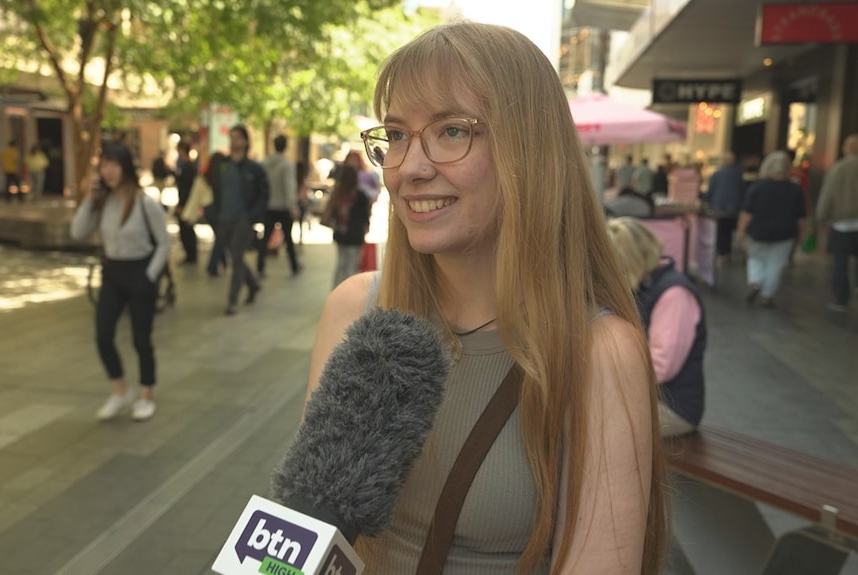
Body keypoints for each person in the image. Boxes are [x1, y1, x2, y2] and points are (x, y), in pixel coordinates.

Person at [307, 22, 666, 574]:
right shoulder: (355, 311)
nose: (411, 167)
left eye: (452, 131)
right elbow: (307, 530)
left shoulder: (598, 352)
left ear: (529, 150)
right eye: (397, 135)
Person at [69, 143, 170, 421]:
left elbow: (163, 243)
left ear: (125, 167)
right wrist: (90, 198)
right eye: (104, 165)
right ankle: (120, 390)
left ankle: (146, 395)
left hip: (140, 274)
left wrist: (149, 276)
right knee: (103, 336)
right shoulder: (103, 202)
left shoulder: (143, 202)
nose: (108, 171)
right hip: (112, 274)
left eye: (114, 164)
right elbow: (77, 231)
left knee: (141, 339)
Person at [607, 217, 706, 438]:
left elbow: (661, 365)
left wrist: (606, 381)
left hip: (674, 408)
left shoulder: (674, 295)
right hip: (648, 397)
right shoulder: (647, 284)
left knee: (596, 424)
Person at [206, 125, 268, 315]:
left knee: (237, 257)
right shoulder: (223, 166)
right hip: (224, 218)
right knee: (235, 257)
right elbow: (215, 191)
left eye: (238, 138)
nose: (234, 142)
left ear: (246, 141)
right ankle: (253, 283)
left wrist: (253, 216)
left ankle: (232, 299)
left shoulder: (254, 169)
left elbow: (263, 194)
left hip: (243, 219)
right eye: (231, 138)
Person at [736, 150, 805, 307]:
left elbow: (747, 213)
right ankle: (767, 296)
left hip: (758, 230)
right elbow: (800, 215)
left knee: (755, 258)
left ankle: (755, 281)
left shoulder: (757, 187)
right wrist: (802, 232)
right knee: (775, 264)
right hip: (785, 232)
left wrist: (741, 231)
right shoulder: (794, 189)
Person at [816, 133, 858, 312]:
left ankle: (842, 299)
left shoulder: (838, 168)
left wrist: (822, 218)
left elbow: (828, 195)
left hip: (841, 223)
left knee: (840, 262)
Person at [259, 135, 301, 277]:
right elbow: (288, 186)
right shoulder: (286, 165)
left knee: (265, 237)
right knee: (288, 238)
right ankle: (294, 266)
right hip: (282, 207)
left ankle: (260, 266)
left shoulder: (265, 163)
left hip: (269, 205)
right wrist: (292, 206)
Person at [323, 163, 370, 288]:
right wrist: (366, 228)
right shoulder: (360, 195)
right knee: (352, 266)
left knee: (341, 264)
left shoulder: (338, 193)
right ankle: (350, 294)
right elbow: (365, 215)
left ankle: (336, 292)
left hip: (340, 234)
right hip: (355, 235)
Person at [183, 151, 228, 276]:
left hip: (209, 211)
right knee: (220, 237)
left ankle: (223, 262)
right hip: (217, 209)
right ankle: (213, 266)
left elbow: (194, 197)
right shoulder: (223, 177)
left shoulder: (204, 177)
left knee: (220, 236)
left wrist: (188, 215)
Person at [705, 151, 746, 264]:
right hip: (735, 207)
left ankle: (723, 254)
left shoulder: (717, 174)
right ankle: (732, 252)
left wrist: (708, 201)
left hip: (720, 207)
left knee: (722, 232)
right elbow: (742, 191)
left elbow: (711, 191)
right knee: (731, 230)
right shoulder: (738, 174)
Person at [174, 140, 198, 263]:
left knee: (187, 229)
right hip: (184, 201)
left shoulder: (188, 167)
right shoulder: (184, 165)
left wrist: (182, 205)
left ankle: (191, 254)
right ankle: (190, 254)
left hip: (186, 202)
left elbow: (186, 188)